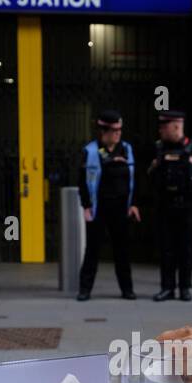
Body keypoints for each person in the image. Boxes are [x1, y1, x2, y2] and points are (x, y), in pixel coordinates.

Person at [148, 110, 192, 302]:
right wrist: (155, 164)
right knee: (166, 249)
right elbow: (148, 173)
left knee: (185, 249)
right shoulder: (158, 148)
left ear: (176, 126)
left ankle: (185, 288)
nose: (161, 130)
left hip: (187, 206)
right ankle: (167, 288)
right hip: (165, 205)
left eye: (164, 127)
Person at [76, 110, 139, 300]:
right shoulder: (91, 151)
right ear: (103, 131)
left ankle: (127, 290)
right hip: (98, 208)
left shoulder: (126, 149)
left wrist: (134, 204)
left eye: (120, 130)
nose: (118, 134)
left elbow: (135, 179)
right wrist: (86, 206)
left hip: (121, 208)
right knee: (92, 250)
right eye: (114, 131)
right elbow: (82, 181)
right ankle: (85, 290)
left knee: (122, 250)